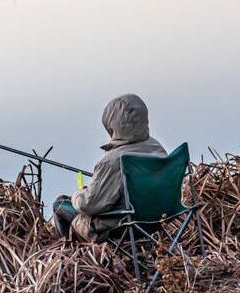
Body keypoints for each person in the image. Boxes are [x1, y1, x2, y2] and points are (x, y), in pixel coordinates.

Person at [53, 93, 166, 241]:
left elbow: (89, 205)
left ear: (113, 124)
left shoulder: (113, 160)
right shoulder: (157, 148)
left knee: (60, 203)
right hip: (157, 221)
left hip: (123, 226)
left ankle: (70, 254)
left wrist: (78, 194)